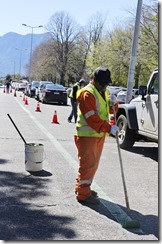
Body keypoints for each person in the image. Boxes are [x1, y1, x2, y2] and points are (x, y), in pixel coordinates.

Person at [74, 67, 119, 205]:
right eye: (102, 83)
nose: (104, 86)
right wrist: (109, 128)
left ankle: (83, 188)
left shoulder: (103, 92)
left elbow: (109, 110)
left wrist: (114, 104)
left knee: (92, 165)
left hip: (98, 134)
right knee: (87, 165)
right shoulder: (87, 94)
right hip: (87, 135)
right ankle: (83, 194)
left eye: (106, 84)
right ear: (94, 79)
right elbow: (92, 118)